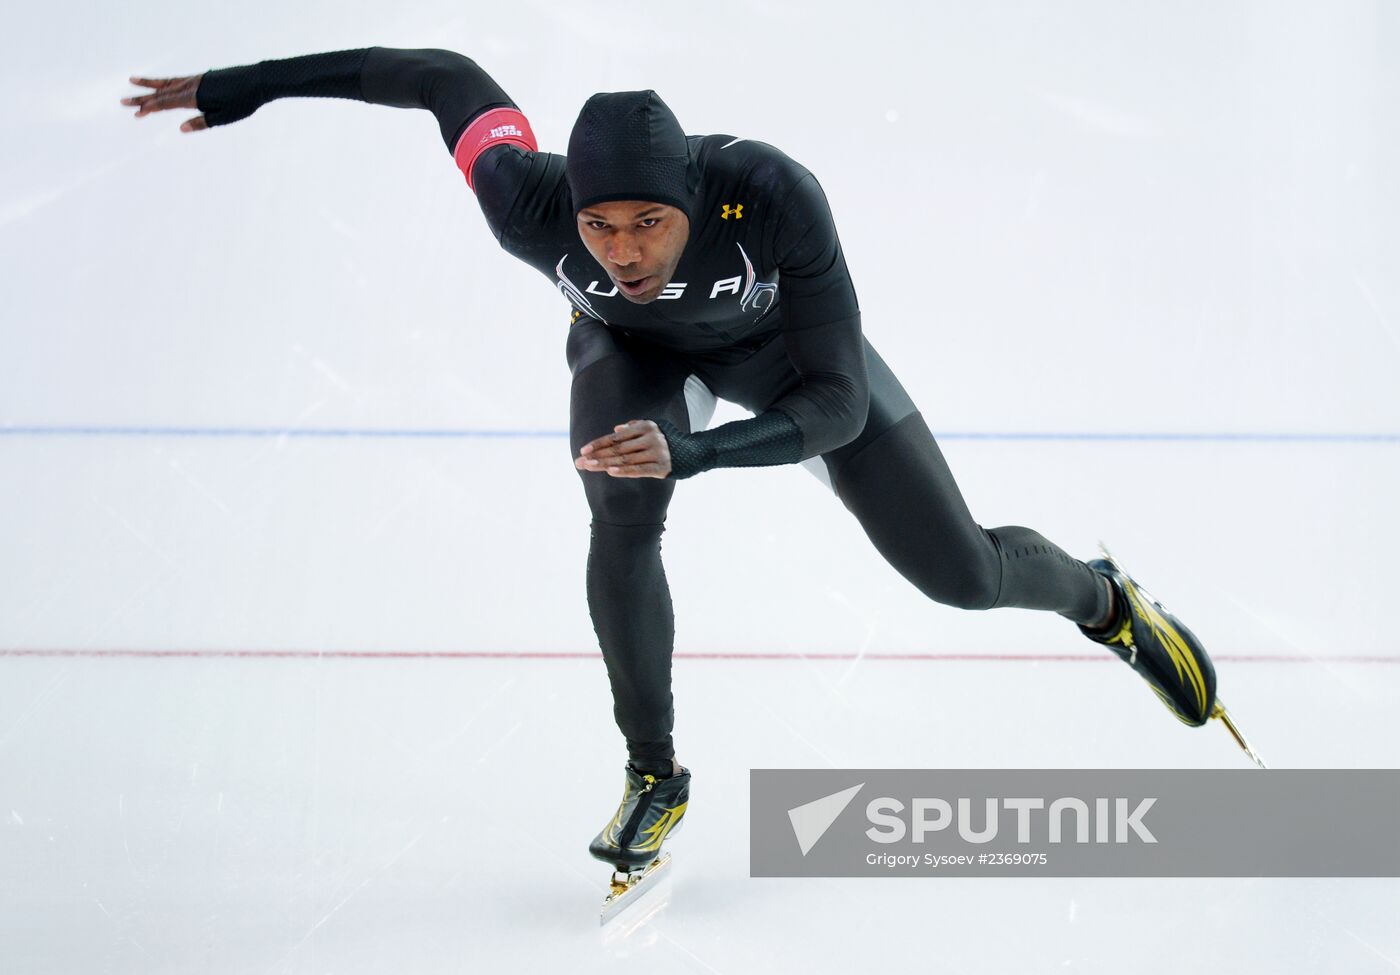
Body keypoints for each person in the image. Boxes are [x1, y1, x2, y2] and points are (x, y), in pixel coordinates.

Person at [123, 47, 1219, 873]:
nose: (624, 250)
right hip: (629, 359)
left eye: (649, 224)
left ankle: (1105, 603)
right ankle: (654, 772)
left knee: (964, 578)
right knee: (617, 507)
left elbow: (836, 402)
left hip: (791, 363)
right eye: (601, 229)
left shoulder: (772, 193)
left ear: (693, 202)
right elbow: (433, 76)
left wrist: (695, 450)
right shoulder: (523, 198)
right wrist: (241, 85)